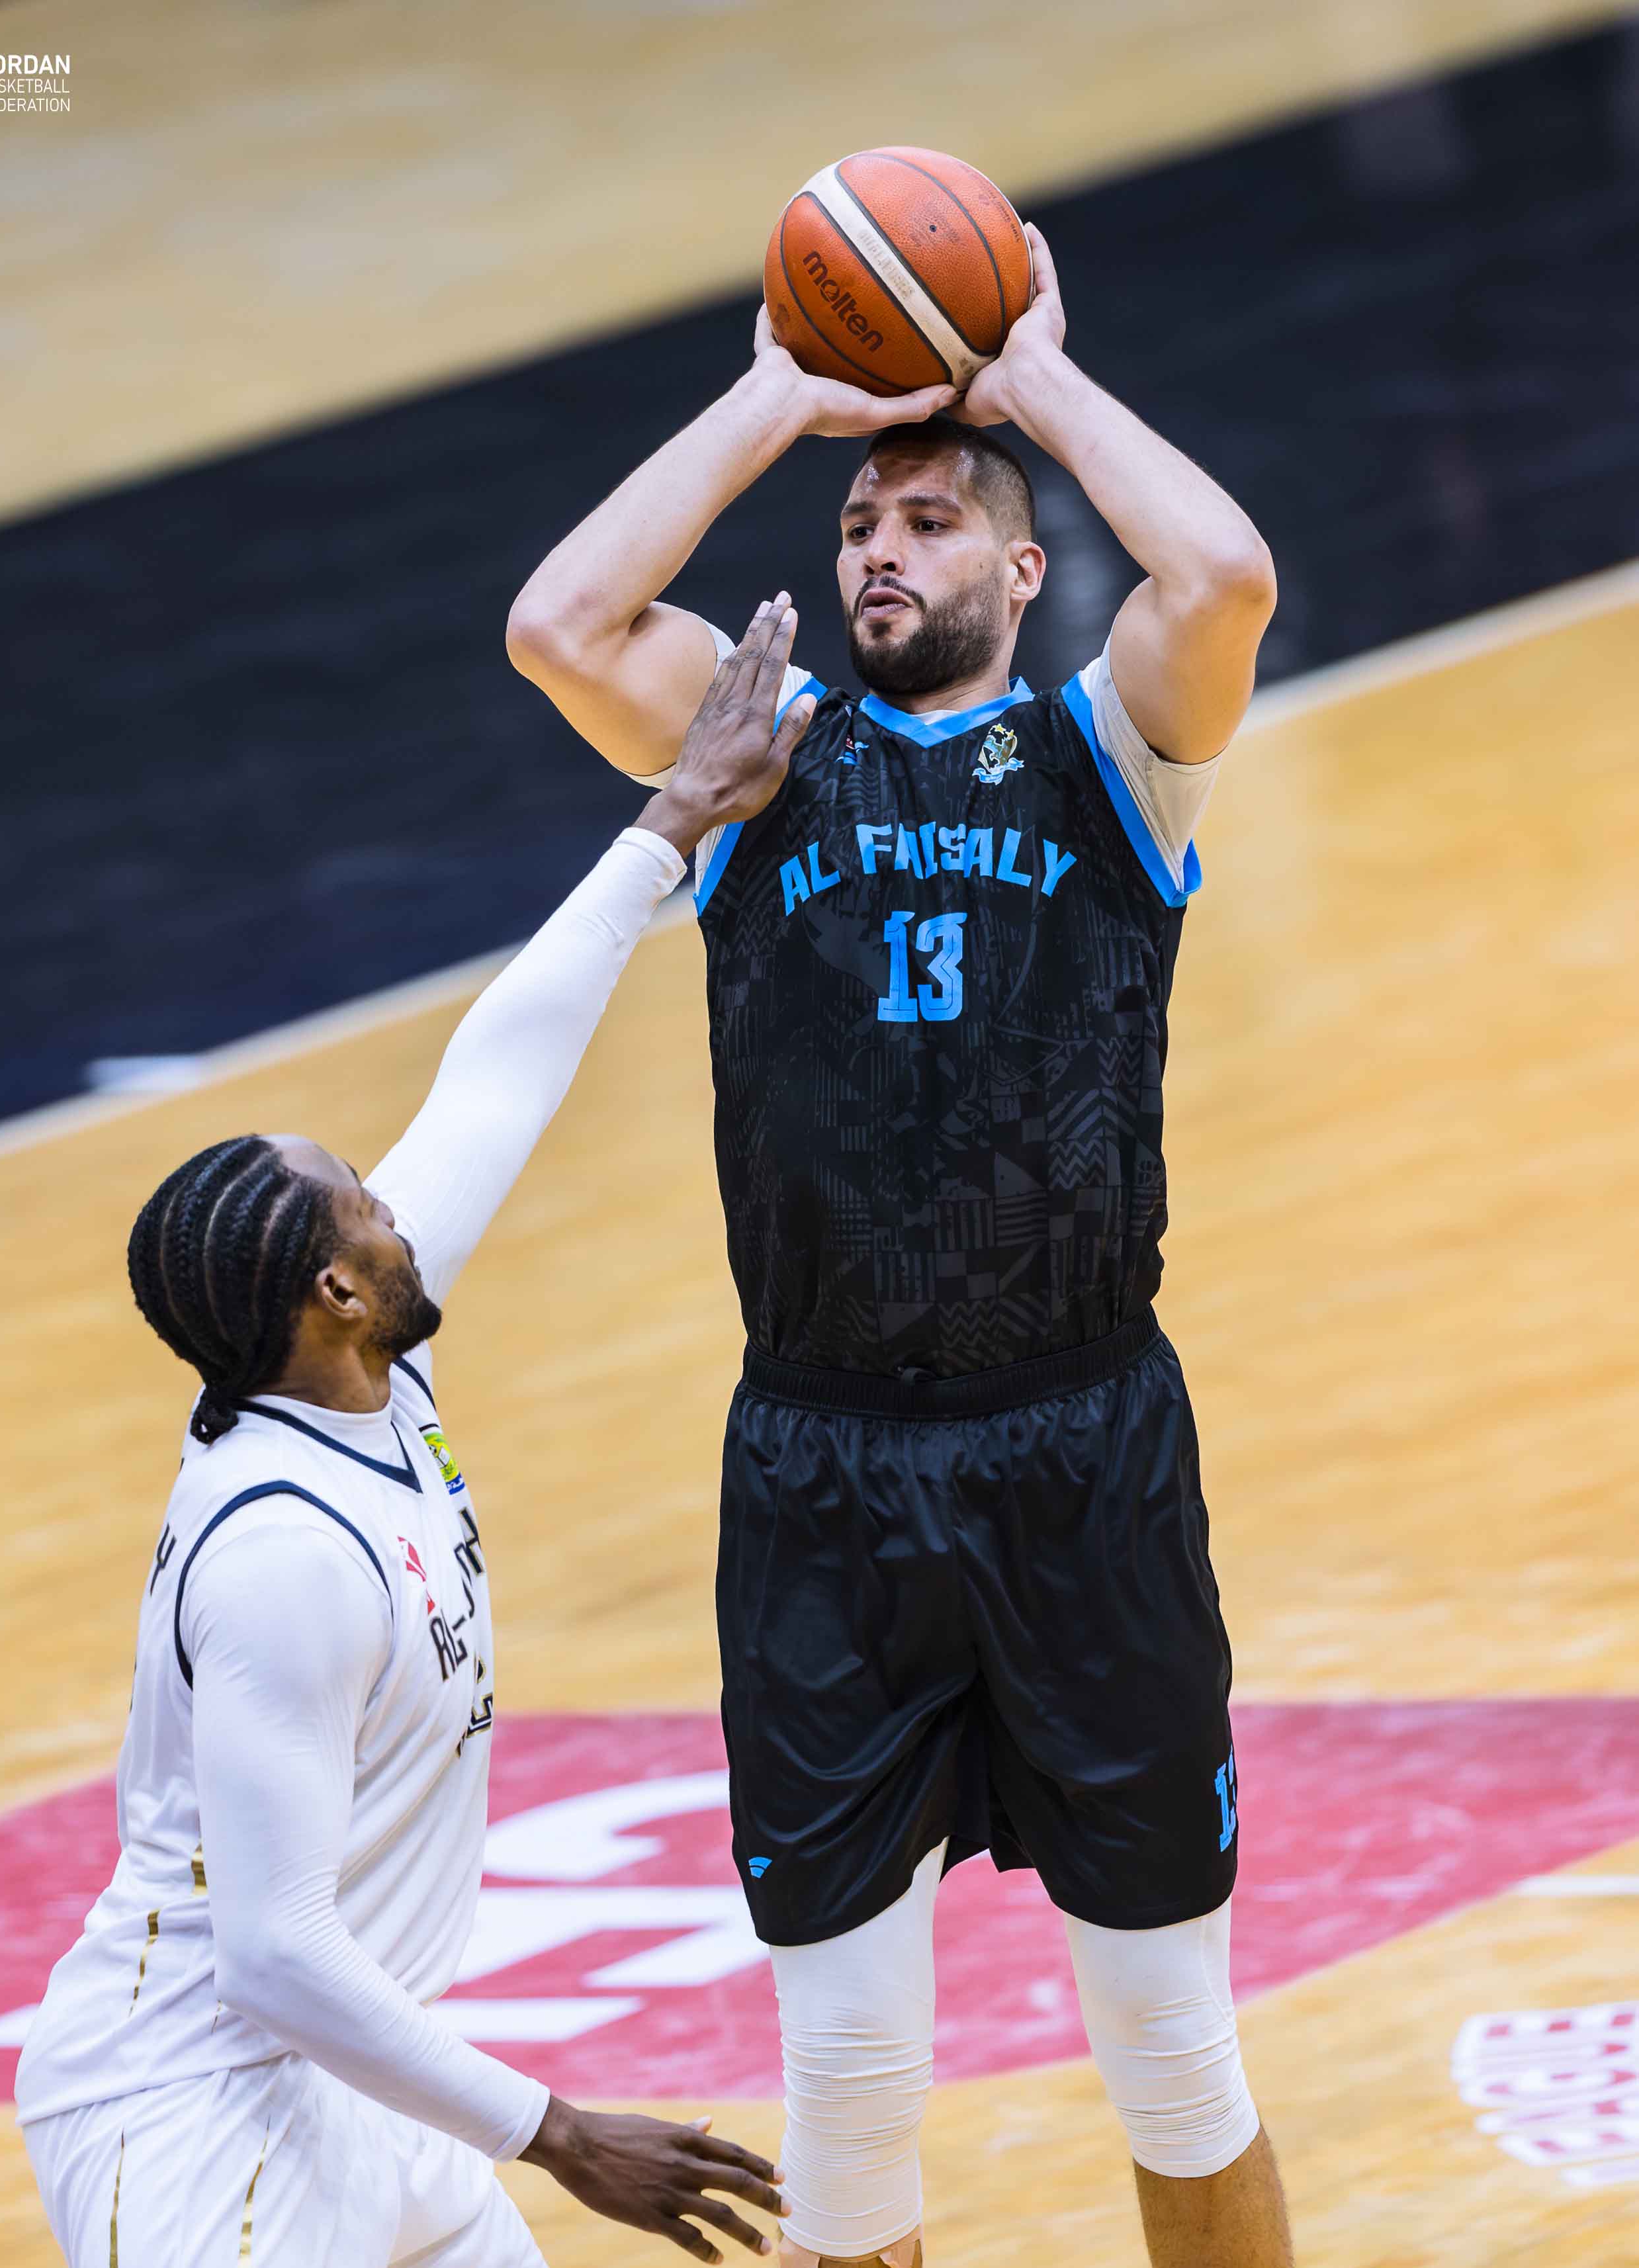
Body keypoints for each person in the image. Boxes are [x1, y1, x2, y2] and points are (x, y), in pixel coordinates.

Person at [506, 228, 1290, 2268]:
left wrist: (1024, 382)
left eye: (928, 521)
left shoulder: (1115, 748)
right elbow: (557, 622)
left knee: (1171, 2050)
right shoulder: (751, 747)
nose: (876, 547)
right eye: (857, 522)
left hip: (1080, 1450)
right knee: (846, 2084)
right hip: (824, 1470)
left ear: (1021, 574)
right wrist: (779, 395)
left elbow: (1219, 575)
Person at [13, 607, 815, 2268]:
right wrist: (561, 2134)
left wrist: (675, 820)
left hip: (367, 2077)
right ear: (334, 1290)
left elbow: (495, 1076)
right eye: (367, 1204)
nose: (398, 1204)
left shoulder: (367, 1368)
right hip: (200, 2117)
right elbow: (272, 1953)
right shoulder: (283, 1556)